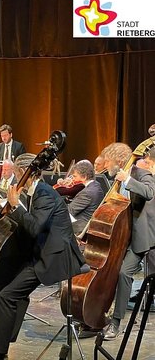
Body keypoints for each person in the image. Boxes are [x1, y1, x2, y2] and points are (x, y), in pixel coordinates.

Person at [0, 153, 85, 359]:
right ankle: (2, 341)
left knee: (8, 295)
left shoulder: (44, 193)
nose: (18, 180)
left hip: (52, 257)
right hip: (39, 251)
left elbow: (35, 227)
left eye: (19, 175)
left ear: (25, 173)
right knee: (12, 291)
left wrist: (16, 205)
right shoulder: (38, 192)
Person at [102, 145, 155, 340]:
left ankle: (116, 323)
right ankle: (101, 313)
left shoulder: (141, 174)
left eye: (108, 160)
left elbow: (149, 192)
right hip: (120, 235)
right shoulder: (115, 178)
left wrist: (128, 180)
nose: (106, 164)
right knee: (109, 270)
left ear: (118, 160)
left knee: (124, 273)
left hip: (140, 236)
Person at [66, 160, 104, 236]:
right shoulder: (96, 185)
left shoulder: (87, 193)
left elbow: (69, 211)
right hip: (89, 226)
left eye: (75, 176)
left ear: (84, 177)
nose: (73, 179)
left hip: (79, 228)